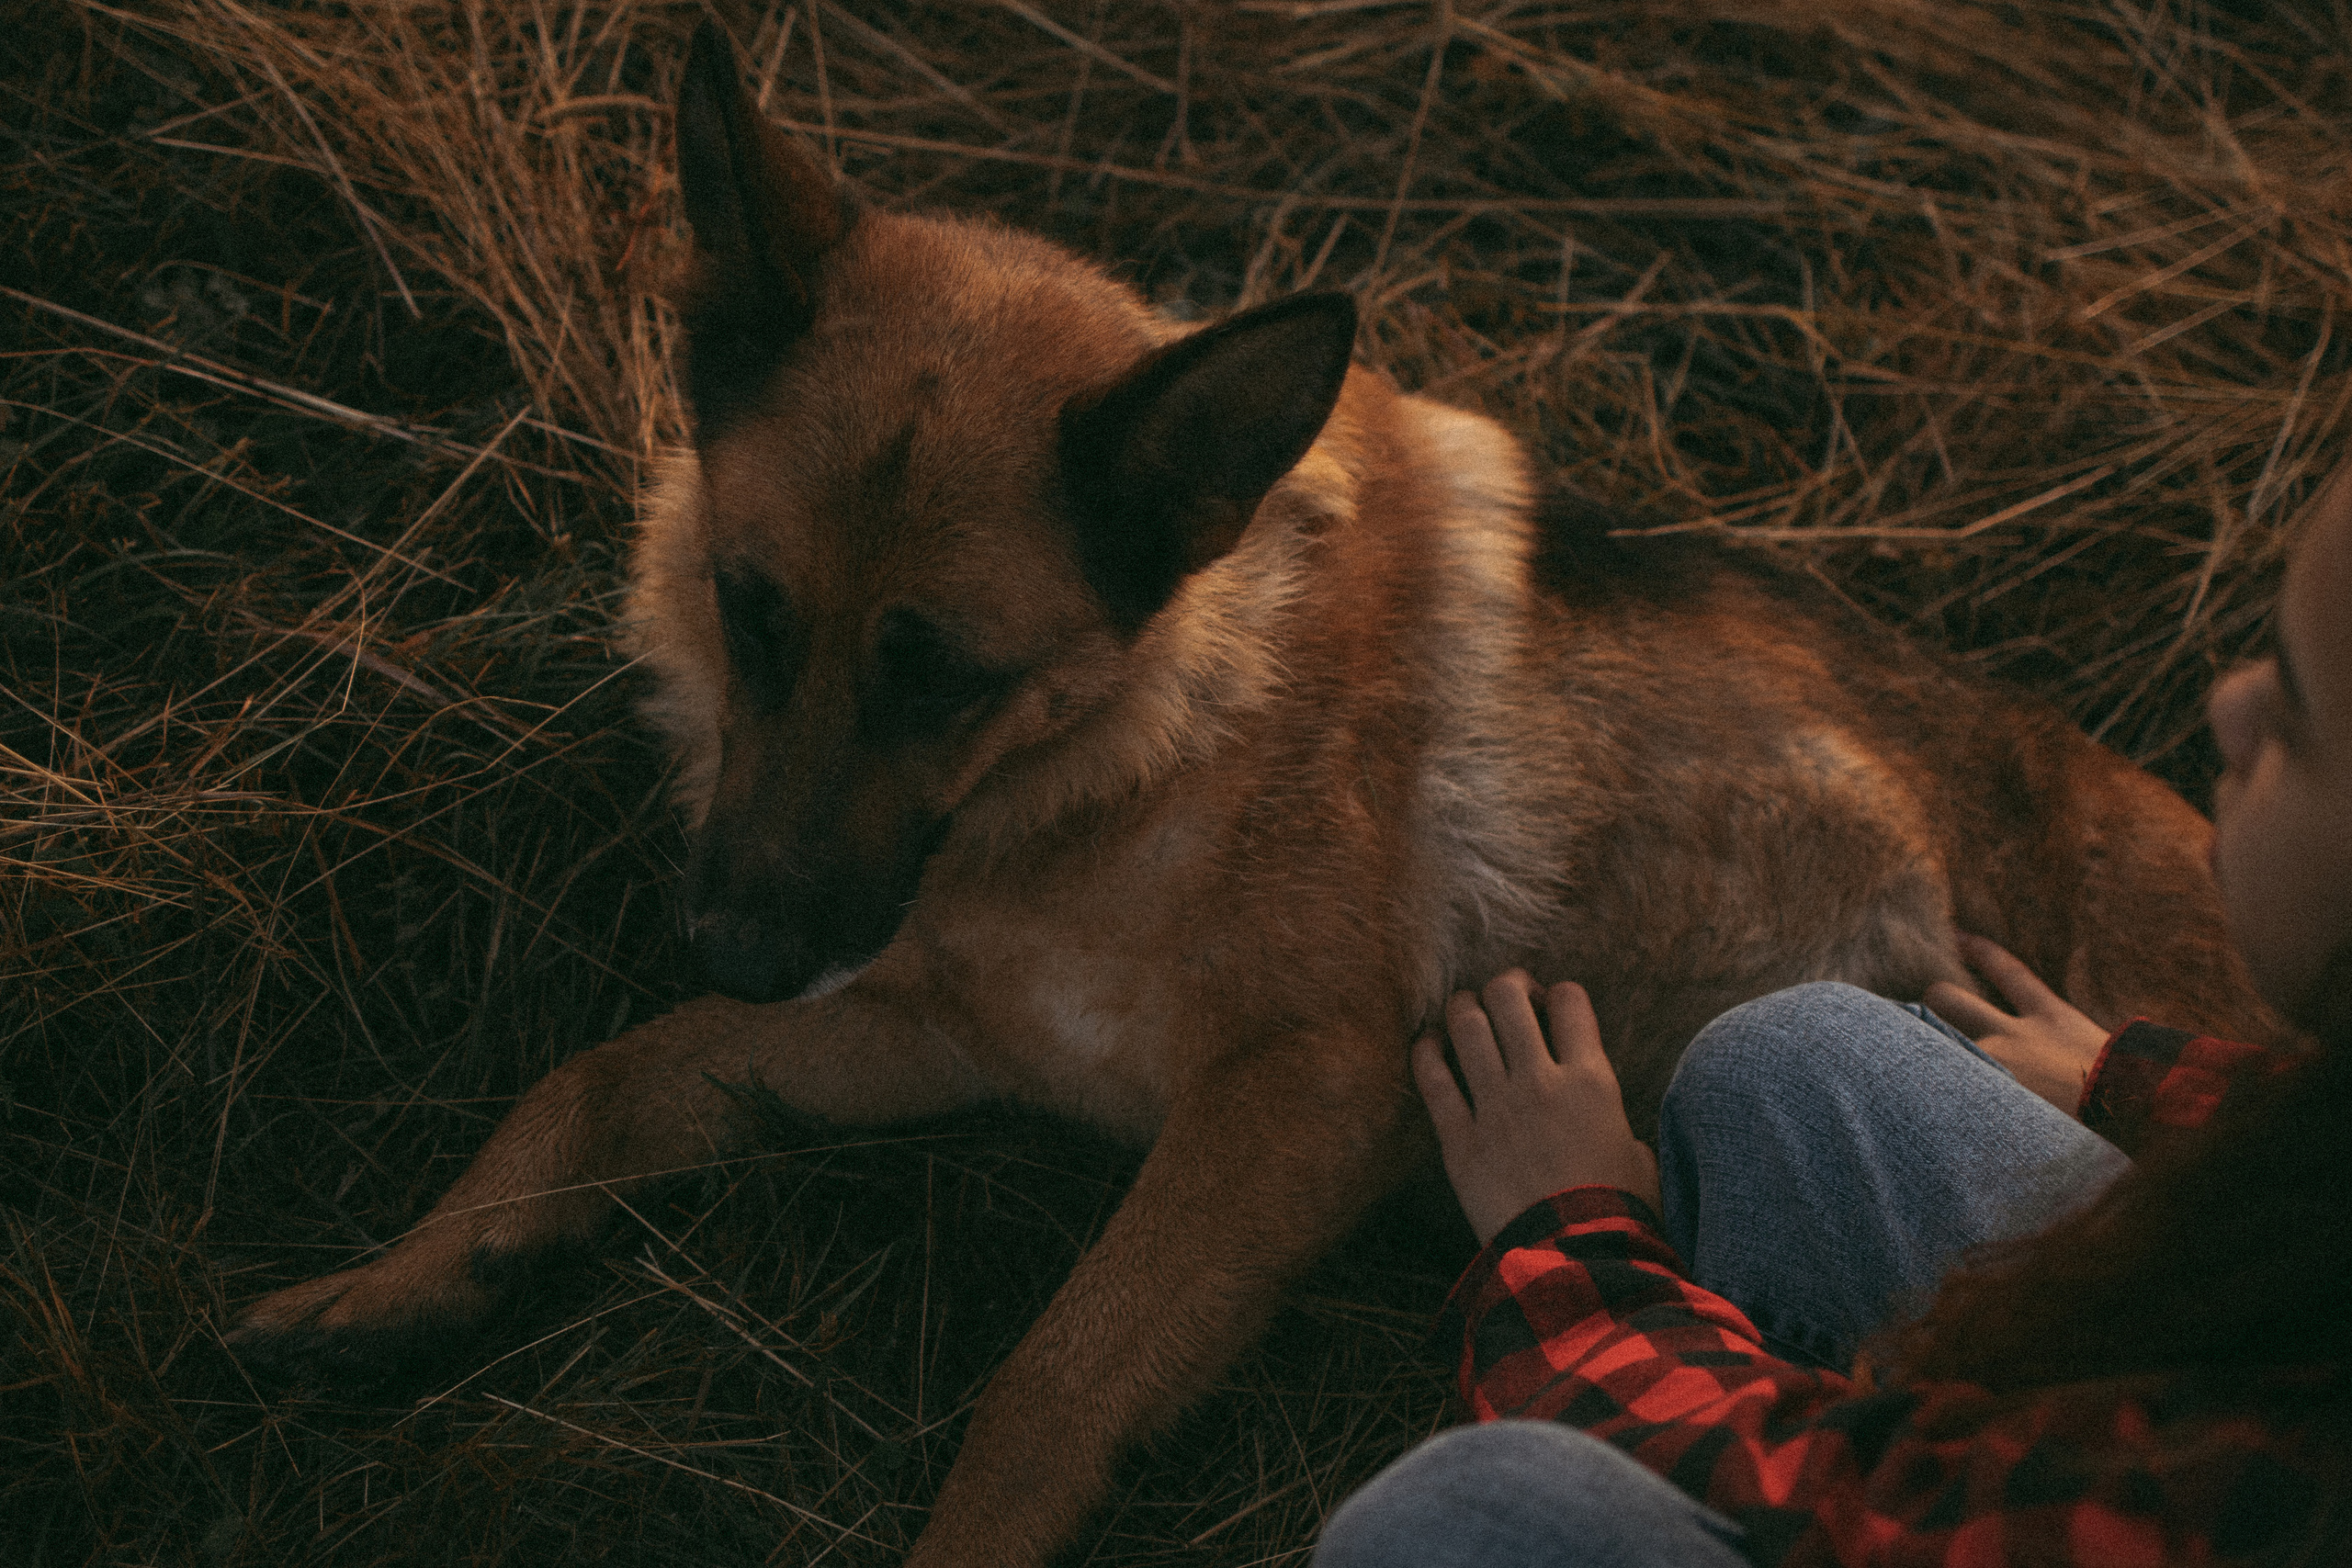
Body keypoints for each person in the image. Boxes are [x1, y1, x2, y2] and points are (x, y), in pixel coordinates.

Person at [1314, 466, 2352, 1567]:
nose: (2227, 705)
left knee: (1463, 1523)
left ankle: (1764, 1369)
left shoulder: (2276, 1493)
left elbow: (1861, 1510)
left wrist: (1570, 1241)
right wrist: (2139, 1081)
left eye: (2296, 714)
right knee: (1794, 1059)